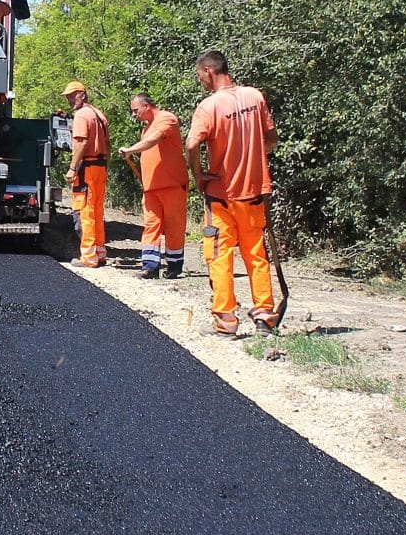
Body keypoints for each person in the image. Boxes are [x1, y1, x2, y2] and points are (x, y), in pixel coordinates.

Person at [186, 49, 279, 336]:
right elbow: (271, 138)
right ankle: (265, 315)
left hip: (222, 195)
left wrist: (199, 174)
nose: (200, 80)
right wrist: (254, 159)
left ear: (208, 71)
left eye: (200, 75)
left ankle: (225, 320)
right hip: (253, 192)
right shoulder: (255, 97)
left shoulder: (209, 107)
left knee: (219, 254)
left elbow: (191, 144)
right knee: (255, 253)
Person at [118, 92, 189, 279]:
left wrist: (130, 150)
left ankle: (174, 266)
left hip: (172, 185)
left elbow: (155, 139)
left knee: (174, 226)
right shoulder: (146, 128)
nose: (134, 115)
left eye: (135, 111)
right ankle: (150, 266)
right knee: (151, 225)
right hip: (151, 188)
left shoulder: (167, 119)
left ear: (146, 106)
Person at [62, 81, 110, 268]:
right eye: (68, 96)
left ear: (82, 94)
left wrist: (73, 168)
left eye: (72, 95)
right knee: (97, 211)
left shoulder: (81, 115)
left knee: (85, 212)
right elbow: (107, 143)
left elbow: (81, 143)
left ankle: (89, 258)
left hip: (87, 169)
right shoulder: (98, 114)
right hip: (100, 167)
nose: (69, 99)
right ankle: (100, 253)